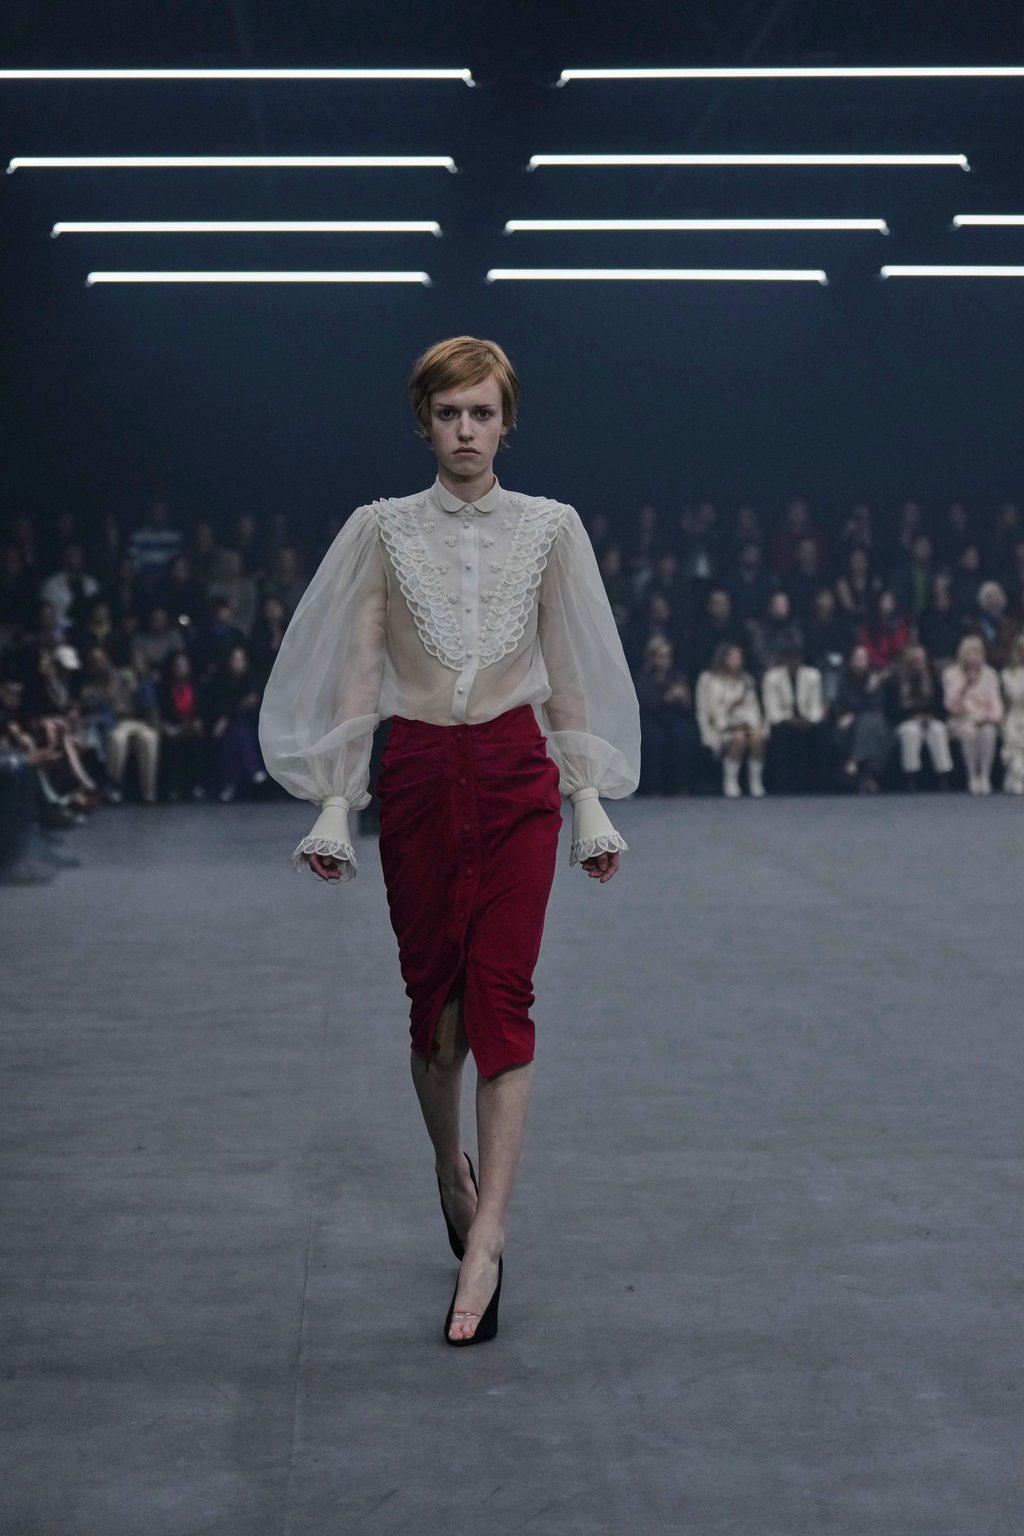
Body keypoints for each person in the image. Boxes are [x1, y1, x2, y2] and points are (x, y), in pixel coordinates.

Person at [258, 336, 640, 1347]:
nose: (465, 430)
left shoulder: (551, 529)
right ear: (423, 423)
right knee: (437, 1009)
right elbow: (357, 666)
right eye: (448, 413)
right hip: (421, 773)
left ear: (507, 422)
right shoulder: (381, 531)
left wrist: (588, 796)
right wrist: (336, 804)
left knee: (503, 996)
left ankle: (490, 1235)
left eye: (481, 412)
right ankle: (445, 1164)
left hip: (518, 775)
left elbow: (568, 667)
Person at [696, 641, 766, 798]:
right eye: (733, 657)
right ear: (723, 659)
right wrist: (732, 706)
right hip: (720, 728)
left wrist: (752, 725)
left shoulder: (746, 680)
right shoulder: (708, 680)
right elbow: (706, 711)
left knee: (758, 737)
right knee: (738, 738)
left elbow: (753, 708)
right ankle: (730, 781)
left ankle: (755, 781)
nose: (737, 661)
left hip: (744, 724)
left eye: (739, 657)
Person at [634, 636, 700, 796]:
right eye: (661, 656)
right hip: (651, 718)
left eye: (668, 656)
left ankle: (681, 785)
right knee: (654, 737)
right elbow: (643, 702)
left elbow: (687, 706)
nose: (665, 660)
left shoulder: (677, 675)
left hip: (674, 717)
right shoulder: (643, 676)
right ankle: (653, 786)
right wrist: (667, 698)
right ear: (652, 657)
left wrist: (684, 698)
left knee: (683, 734)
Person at [942, 635, 1004, 795]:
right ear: (963, 654)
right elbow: (951, 705)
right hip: (961, 719)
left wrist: (992, 717)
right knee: (968, 732)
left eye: (978, 653)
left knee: (988, 733)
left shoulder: (990, 674)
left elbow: (995, 701)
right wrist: (966, 684)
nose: (974, 657)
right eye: (971, 653)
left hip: (984, 718)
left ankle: (985, 776)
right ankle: (972, 776)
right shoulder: (951, 673)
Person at [761, 645, 827, 793]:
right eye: (790, 660)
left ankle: (817, 785)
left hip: (807, 721)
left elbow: (816, 705)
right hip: (782, 722)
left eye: (797, 660)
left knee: (821, 733)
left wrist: (810, 721)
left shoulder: (813, 675)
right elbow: (771, 709)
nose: (794, 663)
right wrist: (790, 720)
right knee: (782, 735)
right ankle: (784, 786)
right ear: (784, 661)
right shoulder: (772, 677)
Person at [888, 644, 953, 790]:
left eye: (922, 659)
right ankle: (911, 776)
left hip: (930, 718)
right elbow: (891, 709)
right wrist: (912, 717)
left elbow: (940, 705)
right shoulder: (896, 680)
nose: (919, 662)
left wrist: (930, 717)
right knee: (911, 731)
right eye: (916, 659)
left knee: (938, 730)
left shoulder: (933, 677)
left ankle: (943, 775)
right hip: (905, 720)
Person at [833, 645, 892, 793]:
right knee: (868, 722)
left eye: (864, 658)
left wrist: (855, 712)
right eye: (858, 658)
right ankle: (868, 776)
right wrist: (867, 693)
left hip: (870, 720)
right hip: (852, 722)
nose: (861, 662)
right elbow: (847, 701)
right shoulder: (844, 678)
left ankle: (855, 760)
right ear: (851, 661)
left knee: (871, 721)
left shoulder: (874, 679)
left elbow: (877, 704)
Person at [999, 632, 1024, 794]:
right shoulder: (1007, 674)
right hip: (1014, 714)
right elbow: (1014, 695)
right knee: (1013, 743)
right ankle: (1016, 777)